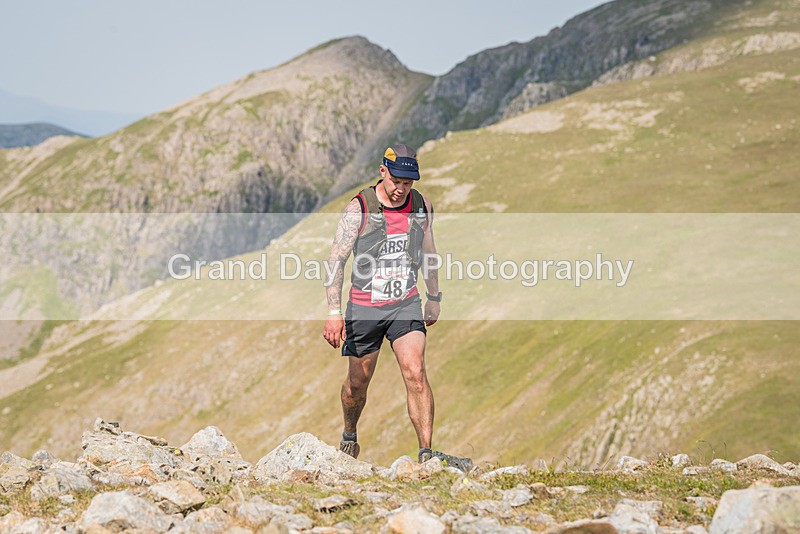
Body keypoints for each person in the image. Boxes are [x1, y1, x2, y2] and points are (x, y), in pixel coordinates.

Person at [322, 144, 471, 472]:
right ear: (383, 171)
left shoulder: (421, 206)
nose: (401, 188)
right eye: (396, 180)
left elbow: (429, 253)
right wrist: (334, 312)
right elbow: (336, 260)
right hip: (365, 308)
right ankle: (350, 432)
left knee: (415, 371)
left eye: (408, 182)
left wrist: (434, 297)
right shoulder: (359, 208)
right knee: (356, 385)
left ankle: (426, 455)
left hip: (406, 302)